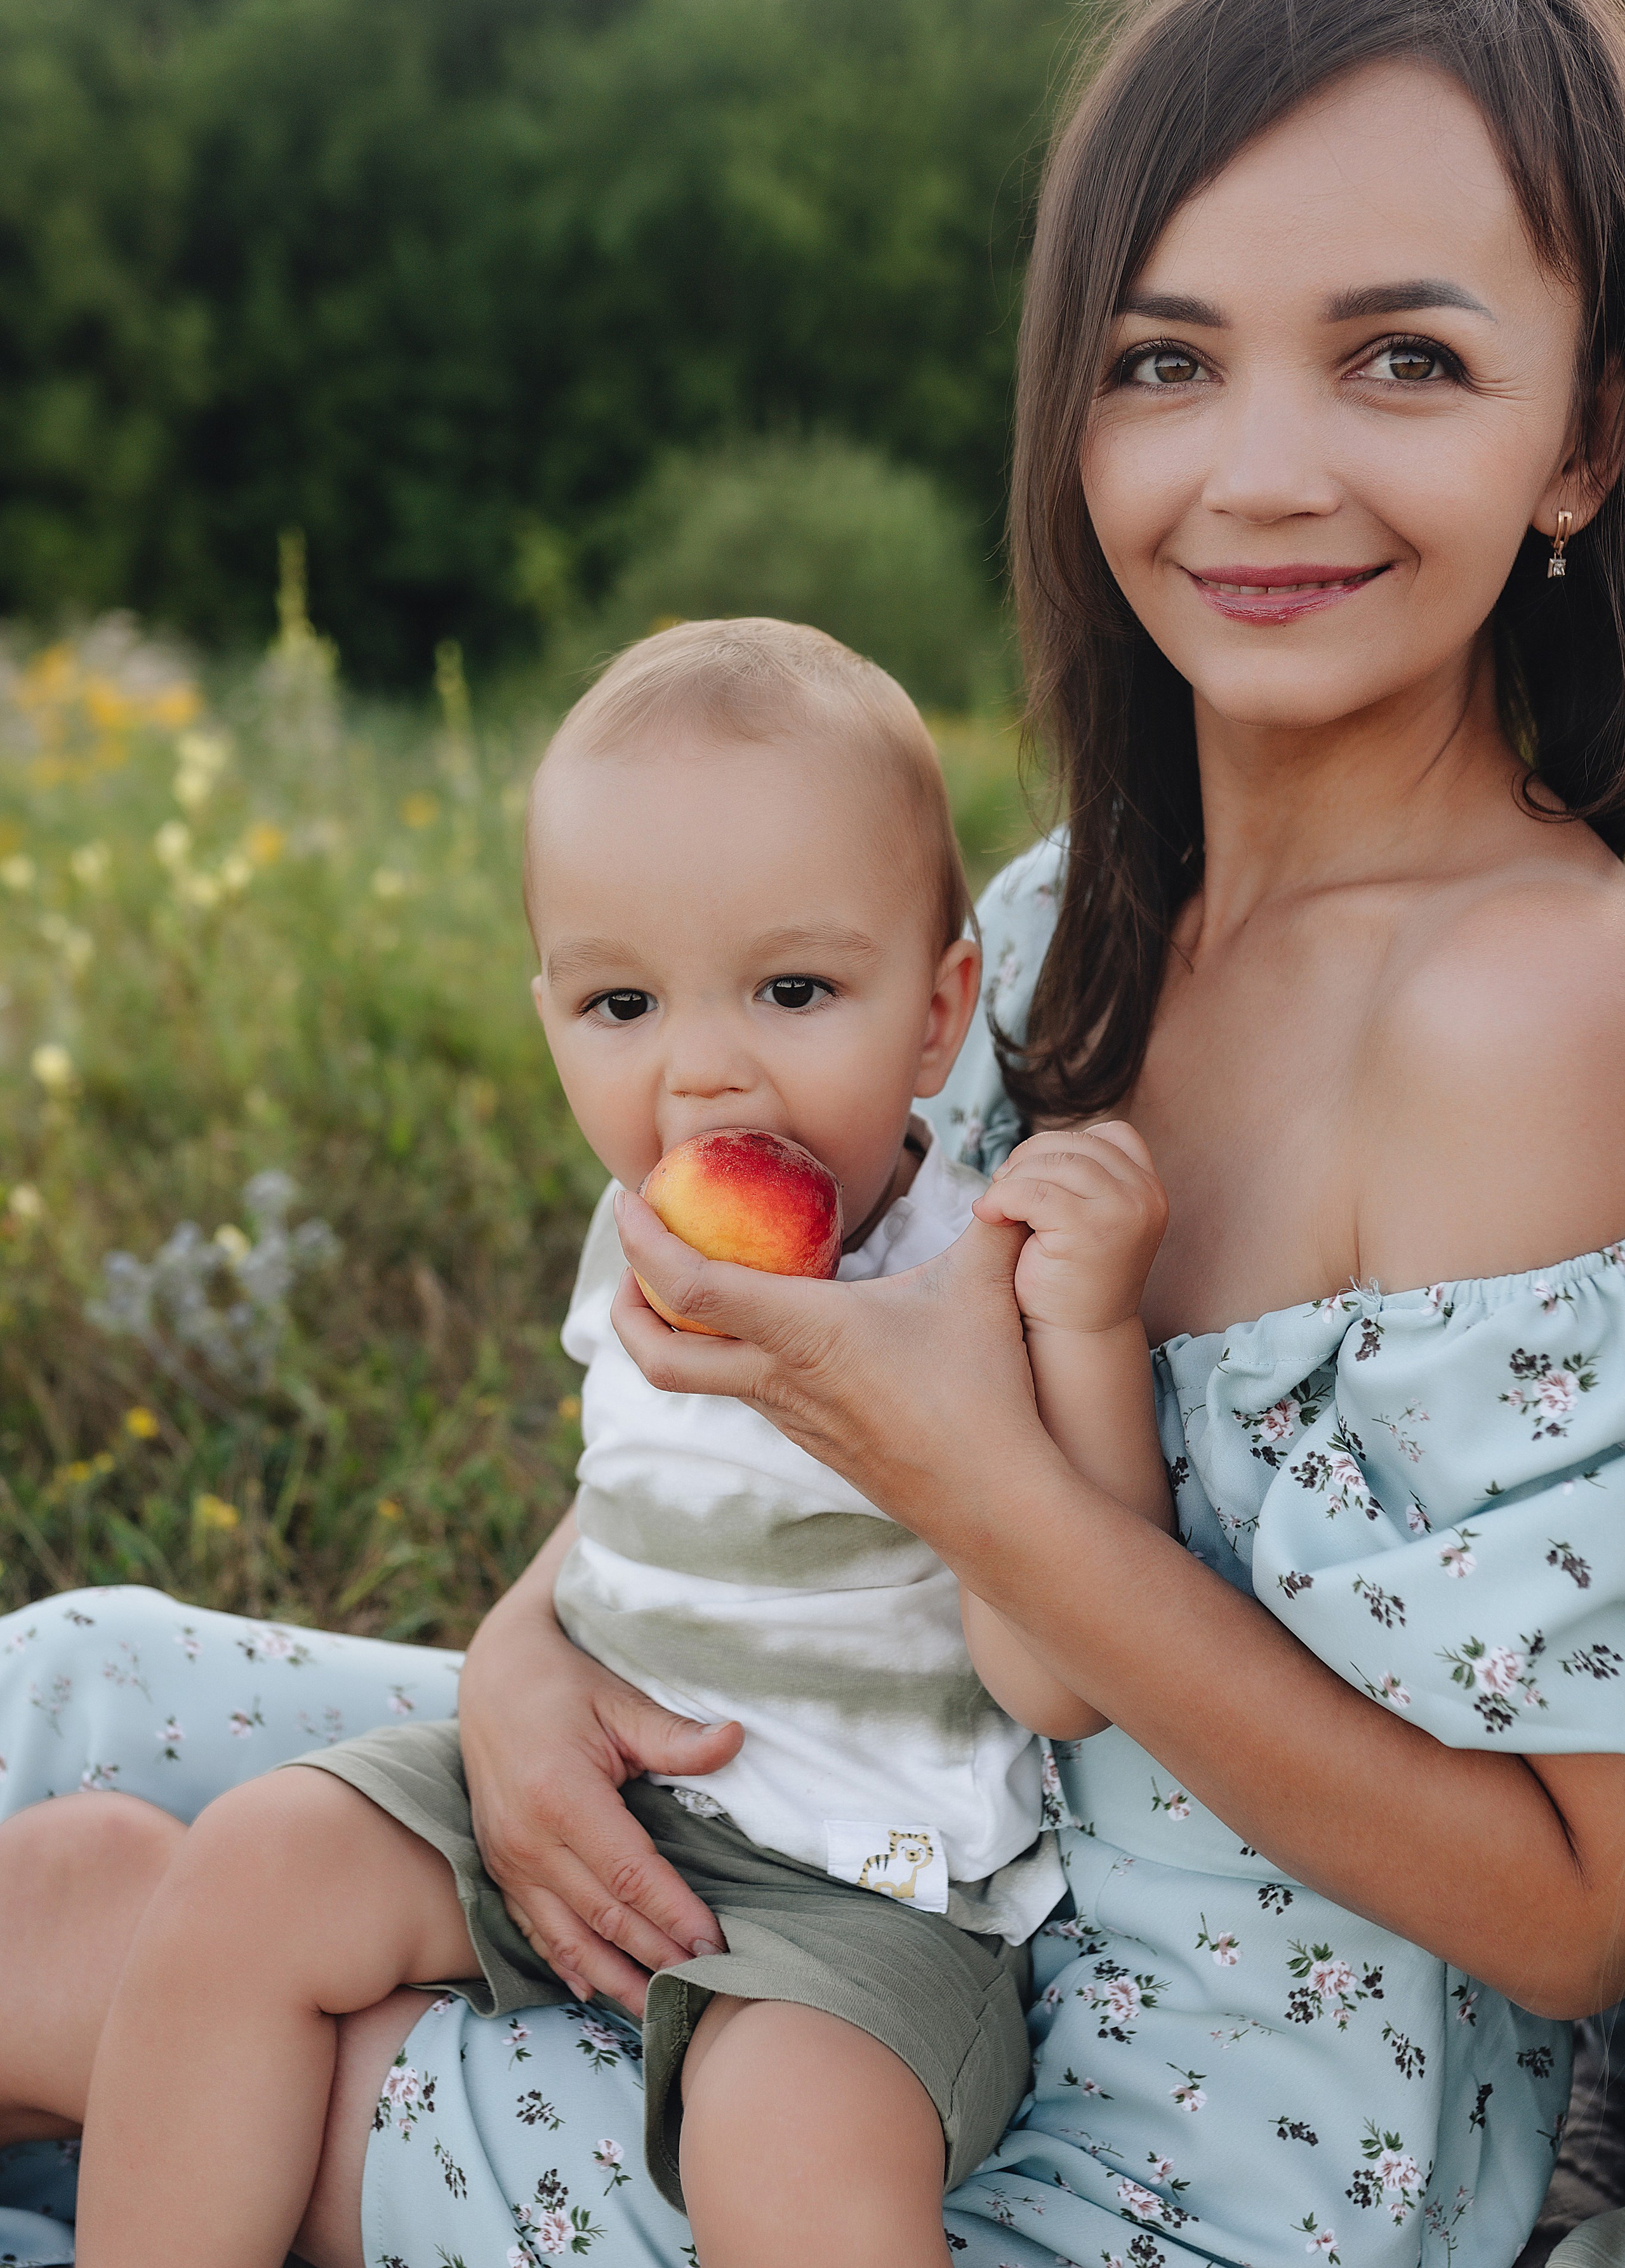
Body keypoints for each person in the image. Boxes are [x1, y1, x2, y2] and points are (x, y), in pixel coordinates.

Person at [0, 0, 1622, 2268]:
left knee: (97, 1951)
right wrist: (543, 1645)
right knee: (73, 1695)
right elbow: (794, 1396)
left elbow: (1574, 1917)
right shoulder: (1067, 914)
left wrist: (992, 1489)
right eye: (1165, 362)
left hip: (1126, 2138)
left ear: (1588, 438)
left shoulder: (1536, 997)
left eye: (1401, 361)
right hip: (833, 1810)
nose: (1260, 471)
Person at [0, 618, 1176, 2268]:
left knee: (805, 2161)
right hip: (600, 1794)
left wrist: (1094, 1333)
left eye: (793, 988)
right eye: (623, 1001)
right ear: (548, 1010)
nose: (702, 1068)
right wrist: (520, 1665)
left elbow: (1062, 1679)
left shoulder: (977, 1279)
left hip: (868, 1888)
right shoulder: (645, 1239)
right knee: (258, 1865)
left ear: (938, 1007)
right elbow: (636, 1511)